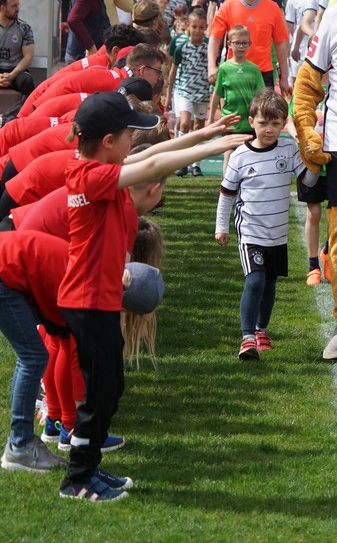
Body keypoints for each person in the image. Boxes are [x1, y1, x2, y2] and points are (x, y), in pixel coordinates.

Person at [58, 92, 244, 501]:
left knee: (111, 387)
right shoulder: (89, 176)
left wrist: (206, 133)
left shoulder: (97, 167)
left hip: (98, 300)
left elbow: (153, 154)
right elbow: (153, 165)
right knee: (99, 393)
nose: (134, 141)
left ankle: (90, 466)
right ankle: (77, 479)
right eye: (128, 134)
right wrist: (214, 148)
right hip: (87, 301)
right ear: (108, 141)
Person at [215, 90, 317, 360]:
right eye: (263, 123)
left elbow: (308, 181)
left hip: (278, 233)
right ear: (252, 122)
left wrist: (315, 160)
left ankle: (261, 330)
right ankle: (247, 337)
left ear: (284, 124)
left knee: (270, 283)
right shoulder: (240, 156)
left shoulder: (289, 149)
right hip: (250, 231)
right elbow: (226, 194)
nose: (269, 129)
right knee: (255, 280)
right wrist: (221, 227)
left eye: (275, 123)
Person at [0, 231, 71, 474]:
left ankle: (20, 442)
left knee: (31, 357)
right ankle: (20, 446)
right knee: (33, 358)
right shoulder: (85, 283)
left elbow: (55, 322)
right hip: (4, 271)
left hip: (8, 266)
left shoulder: (90, 270)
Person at [208, 0, 290, 95]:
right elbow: (214, 38)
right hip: (234, 73)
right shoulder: (227, 6)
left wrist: (284, 77)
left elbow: (281, 43)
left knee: (264, 110)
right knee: (233, 110)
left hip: (263, 74)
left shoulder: (273, 8)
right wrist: (211, 66)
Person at [208, 25, 265, 173]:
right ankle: (226, 184)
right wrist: (210, 119)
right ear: (229, 44)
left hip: (249, 122)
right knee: (229, 153)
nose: (241, 46)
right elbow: (217, 94)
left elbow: (261, 95)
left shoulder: (254, 69)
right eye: (237, 43)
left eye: (244, 43)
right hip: (231, 121)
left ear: (249, 44)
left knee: (249, 156)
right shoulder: (224, 68)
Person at [165, 8, 210, 177]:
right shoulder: (181, 47)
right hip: (184, 89)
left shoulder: (208, 46)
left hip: (202, 91)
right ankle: (182, 161)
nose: (197, 30)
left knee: (198, 127)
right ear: (188, 25)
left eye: (201, 27)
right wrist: (169, 94)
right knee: (184, 123)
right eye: (194, 27)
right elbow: (173, 71)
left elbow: (213, 67)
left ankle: (196, 164)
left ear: (205, 27)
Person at [0, 0, 36, 122]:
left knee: (28, 83)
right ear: (3, 8)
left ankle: (10, 118)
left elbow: (28, 57)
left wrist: (12, 75)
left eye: (18, 5)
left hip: (16, 70)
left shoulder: (24, 28)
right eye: (14, 6)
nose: (18, 9)